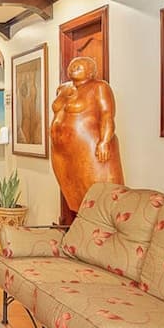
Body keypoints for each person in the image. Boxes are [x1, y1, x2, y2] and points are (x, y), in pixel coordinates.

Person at [50, 56, 124, 211]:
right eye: (72, 65)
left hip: (88, 147)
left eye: (79, 66)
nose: (74, 67)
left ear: (91, 72)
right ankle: (82, 224)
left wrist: (104, 141)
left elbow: (107, 115)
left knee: (99, 194)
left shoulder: (99, 87)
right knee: (73, 193)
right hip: (60, 150)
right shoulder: (62, 89)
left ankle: (98, 224)